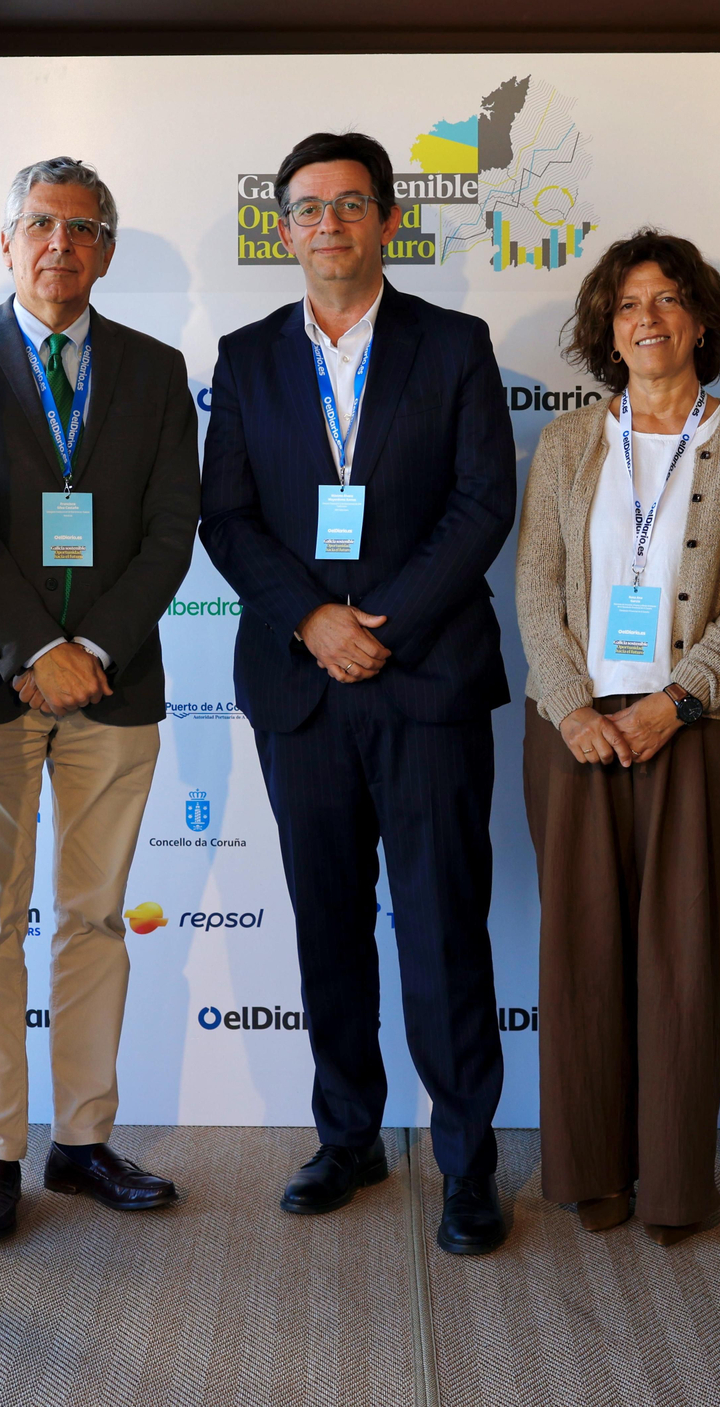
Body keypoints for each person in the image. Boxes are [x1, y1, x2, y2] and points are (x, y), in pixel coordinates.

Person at [199, 131, 517, 1256]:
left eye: (348, 204)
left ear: (387, 221)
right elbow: (226, 518)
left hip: (424, 680)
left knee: (442, 929)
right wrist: (311, 621)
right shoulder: (243, 359)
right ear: (280, 230)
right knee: (327, 926)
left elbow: (482, 505)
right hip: (300, 688)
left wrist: (379, 623)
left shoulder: (455, 344)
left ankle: (468, 1160)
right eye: (305, 208)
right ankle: (349, 1137)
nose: (326, 224)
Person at [0, 158, 199, 1238]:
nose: (61, 245)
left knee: (91, 920)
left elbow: (169, 529)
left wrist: (89, 644)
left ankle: (81, 1141)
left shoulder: (152, 366)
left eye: (84, 229)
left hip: (115, 682)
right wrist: (33, 646)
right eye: (40, 225)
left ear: (105, 250)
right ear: (5, 243)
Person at [515, 229, 720, 1246]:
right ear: (604, 328)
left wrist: (678, 701)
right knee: (578, 960)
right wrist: (572, 704)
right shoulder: (569, 443)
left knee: (681, 966)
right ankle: (591, 1174)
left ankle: (673, 1186)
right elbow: (535, 582)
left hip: (695, 737)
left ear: (701, 321)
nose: (647, 319)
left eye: (667, 301)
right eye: (627, 305)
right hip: (571, 736)